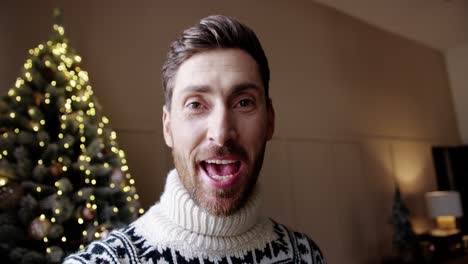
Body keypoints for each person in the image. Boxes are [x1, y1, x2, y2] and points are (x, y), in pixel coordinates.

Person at [65, 15, 325, 264]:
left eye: (243, 102)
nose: (221, 133)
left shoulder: (306, 256)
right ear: (168, 127)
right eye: (196, 105)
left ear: (270, 121)